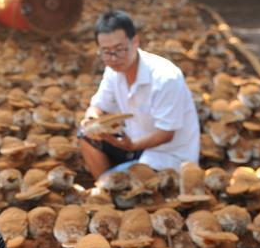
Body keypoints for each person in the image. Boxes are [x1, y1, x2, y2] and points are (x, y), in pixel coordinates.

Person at [79, 10, 200, 179]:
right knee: (85, 135)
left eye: (119, 49)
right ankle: (106, 186)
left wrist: (133, 146)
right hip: (132, 143)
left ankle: (112, 185)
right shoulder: (113, 70)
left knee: (121, 183)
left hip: (165, 155)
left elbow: (166, 134)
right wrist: (91, 120)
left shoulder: (165, 78)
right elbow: (99, 106)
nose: (113, 58)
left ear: (135, 42)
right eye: (106, 52)